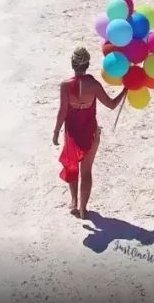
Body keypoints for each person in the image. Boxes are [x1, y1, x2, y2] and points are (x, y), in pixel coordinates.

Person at [53, 46, 126, 218]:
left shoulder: (65, 85)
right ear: (87, 64)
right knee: (87, 171)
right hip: (90, 132)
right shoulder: (93, 84)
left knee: (72, 167)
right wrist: (125, 90)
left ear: (72, 64)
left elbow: (62, 111)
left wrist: (56, 132)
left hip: (72, 133)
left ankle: (73, 201)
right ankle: (84, 209)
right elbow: (111, 104)